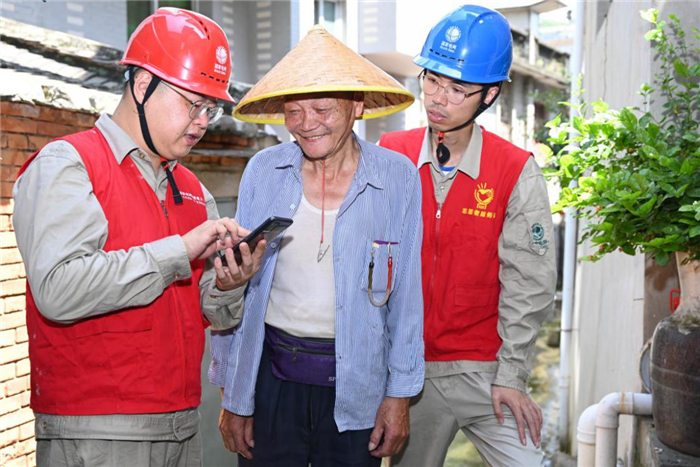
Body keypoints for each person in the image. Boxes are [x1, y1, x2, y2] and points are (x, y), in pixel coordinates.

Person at [12, 8, 265, 467]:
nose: (203, 121)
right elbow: (58, 290)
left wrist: (231, 283)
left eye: (211, 108)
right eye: (193, 103)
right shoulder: (68, 164)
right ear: (143, 84)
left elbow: (215, 315)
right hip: (98, 431)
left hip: (183, 425)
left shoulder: (191, 187)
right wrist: (180, 251)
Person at [209, 26, 424, 467]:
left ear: (356, 107)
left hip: (359, 384)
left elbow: (406, 297)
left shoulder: (397, 177)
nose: (307, 124)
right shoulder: (263, 171)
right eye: (294, 111)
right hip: (272, 379)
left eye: (322, 108)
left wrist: (399, 395)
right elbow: (245, 295)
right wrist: (236, 395)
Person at [379, 5, 557, 466]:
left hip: (485, 371)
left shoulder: (514, 170)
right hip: (407, 375)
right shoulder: (390, 156)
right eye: (432, 79)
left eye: (457, 88)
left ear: (489, 95)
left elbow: (530, 281)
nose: (437, 97)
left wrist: (513, 374)